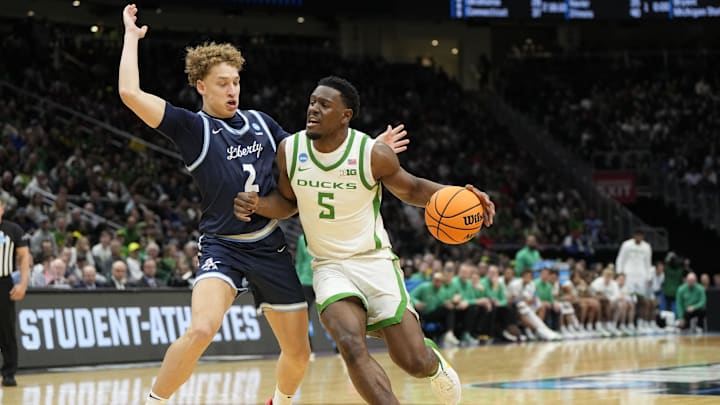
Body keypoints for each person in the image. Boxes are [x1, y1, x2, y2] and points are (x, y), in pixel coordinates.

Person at [118, 6, 408, 405]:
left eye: (236, 81)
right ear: (201, 86)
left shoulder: (262, 123)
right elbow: (130, 95)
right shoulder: (192, 128)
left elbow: (315, 158)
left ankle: (280, 402)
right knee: (202, 329)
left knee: (299, 352)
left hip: (268, 246)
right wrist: (131, 39)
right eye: (222, 83)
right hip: (222, 245)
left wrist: (368, 149)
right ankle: (154, 401)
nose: (232, 90)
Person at [234, 75, 496, 405]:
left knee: (413, 362)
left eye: (324, 105)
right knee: (350, 344)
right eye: (312, 102)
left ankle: (434, 363)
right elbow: (288, 203)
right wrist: (259, 203)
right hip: (330, 266)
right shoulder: (291, 150)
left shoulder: (372, 154)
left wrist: (458, 193)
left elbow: (412, 189)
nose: (313, 109)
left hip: (374, 262)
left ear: (346, 115)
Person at [0, 199, 30, 387]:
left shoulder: (13, 229)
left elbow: (24, 256)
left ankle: (9, 373)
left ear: (2, 209)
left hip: (3, 282)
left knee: (6, 329)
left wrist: (23, 284)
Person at [615, 230, 656, 332]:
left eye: (641, 236)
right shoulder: (626, 245)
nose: (639, 237)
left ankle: (641, 324)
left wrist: (649, 276)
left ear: (643, 236)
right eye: (637, 235)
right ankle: (627, 324)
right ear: (634, 236)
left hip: (641, 276)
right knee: (629, 301)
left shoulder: (646, 247)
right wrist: (620, 272)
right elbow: (620, 259)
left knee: (642, 301)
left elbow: (648, 262)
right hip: (628, 275)